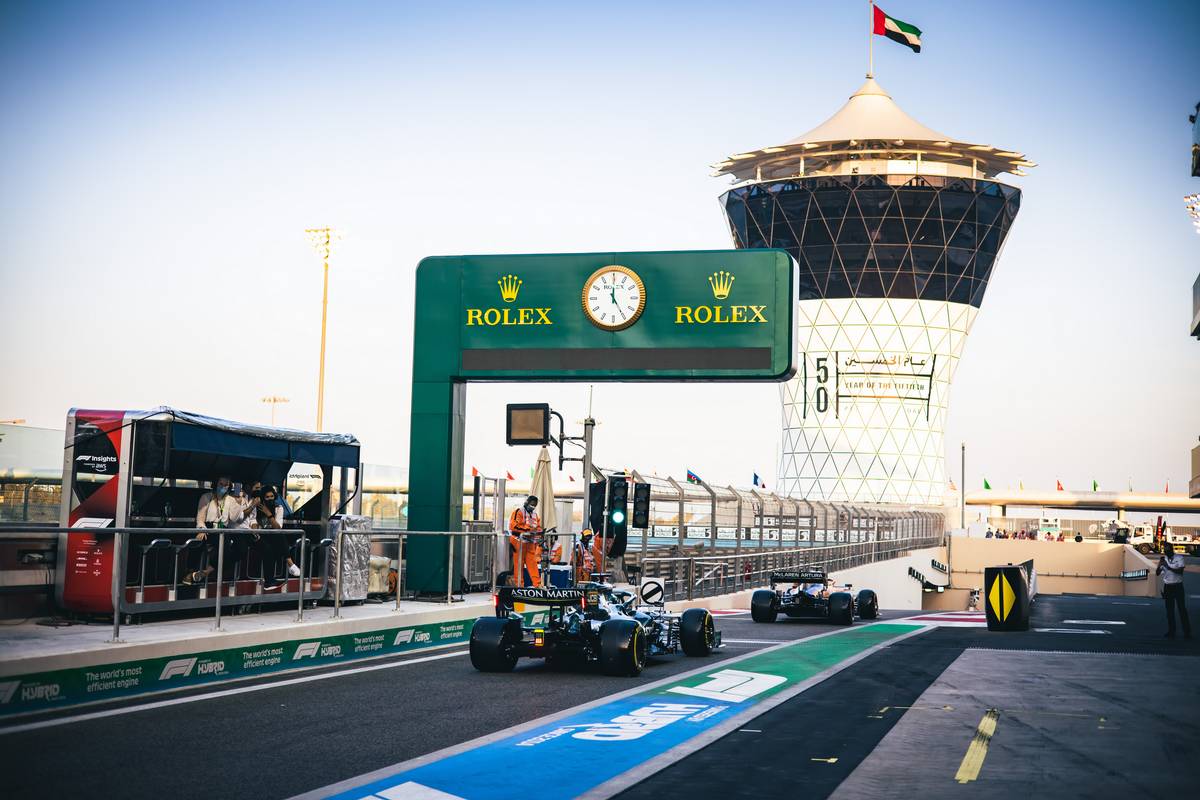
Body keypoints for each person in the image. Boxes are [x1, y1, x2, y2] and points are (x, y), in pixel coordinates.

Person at [184, 476, 244, 585]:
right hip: (208, 527)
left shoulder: (231, 500)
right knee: (198, 542)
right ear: (216, 484)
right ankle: (189, 572)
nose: (223, 487)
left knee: (227, 549)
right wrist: (202, 529)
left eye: (226, 485)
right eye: (221, 484)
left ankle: (206, 572)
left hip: (222, 530)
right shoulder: (206, 497)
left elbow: (235, 518)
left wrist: (238, 503)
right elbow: (200, 517)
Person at [250, 485, 300, 590]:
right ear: (263, 498)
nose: (270, 499)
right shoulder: (257, 507)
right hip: (258, 535)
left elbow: (278, 527)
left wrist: (268, 514)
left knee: (275, 541)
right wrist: (257, 530)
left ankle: (269, 582)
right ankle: (290, 563)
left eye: (271, 496)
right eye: (267, 497)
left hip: (272, 535)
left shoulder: (279, 507)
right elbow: (253, 522)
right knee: (272, 544)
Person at [1157, 542, 1191, 639]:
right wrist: (1160, 565)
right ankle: (1171, 631)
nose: (1165, 551)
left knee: (1182, 609)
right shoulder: (1164, 559)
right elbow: (1157, 573)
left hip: (1178, 587)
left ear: (1171, 549)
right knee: (1169, 611)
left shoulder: (1179, 558)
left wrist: (1167, 566)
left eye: (1167, 549)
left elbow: (1180, 572)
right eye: (1164, 549)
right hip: (1168, 587)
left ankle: (1187, 632)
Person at [507, 495, 543, 587]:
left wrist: (540, 531)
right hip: (518, 541)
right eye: (532, 505)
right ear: (527, 502)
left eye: (534, 505)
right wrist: (528, 529)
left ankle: (537, 585)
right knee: (519, 565)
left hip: (530, 542)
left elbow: (538, 526)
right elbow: (513, 526)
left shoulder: (535, 515)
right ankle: (519, 586)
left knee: (533, 564)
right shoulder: (518, 512)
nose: (533, 507)